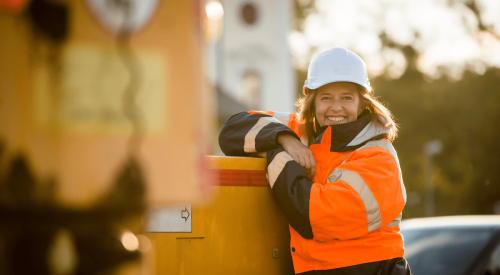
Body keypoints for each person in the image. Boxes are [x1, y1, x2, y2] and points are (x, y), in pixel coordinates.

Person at [219, 47, 411, 274]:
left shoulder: (379, 157)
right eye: (326, 97)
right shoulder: (300, 131)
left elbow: (311, 215)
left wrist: (275, 153)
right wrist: (285, 139)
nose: (336, 107)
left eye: (347, 98)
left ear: (362, 103)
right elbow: (231, 131)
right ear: (312, 101)